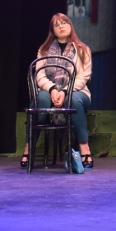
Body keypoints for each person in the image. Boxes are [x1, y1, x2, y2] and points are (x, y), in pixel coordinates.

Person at [20, 13, 94, 170]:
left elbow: (83, 77)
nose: (61, 26)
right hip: (48, 90)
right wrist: (53, 89)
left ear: (70, 25)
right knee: (41, 100)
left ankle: (85, 150)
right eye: (57, 25)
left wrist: (65, 91)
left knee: (72, 100)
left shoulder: (83, 49)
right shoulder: (44, 50)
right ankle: (28, 149)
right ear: (52, 30)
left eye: (64, 23)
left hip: (77, 91)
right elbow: (39, 75)